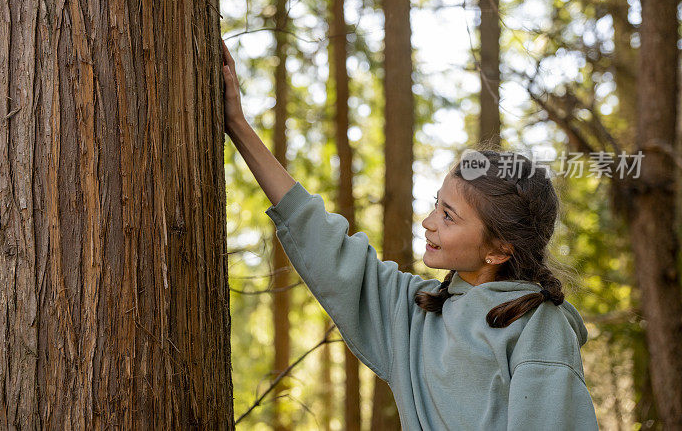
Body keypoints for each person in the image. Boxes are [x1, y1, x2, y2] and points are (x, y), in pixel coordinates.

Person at [221, 39, 600, 430]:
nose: (429, 222)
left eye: (449, 217)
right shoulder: (416, 312)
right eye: (438, 204)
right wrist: (238, 126)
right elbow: (320, 239)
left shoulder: (540, 326)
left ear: (499, 249)